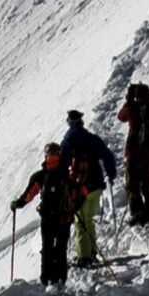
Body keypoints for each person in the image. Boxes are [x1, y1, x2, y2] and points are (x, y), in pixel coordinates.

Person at [9, 143, 76, 286]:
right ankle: (61, 279)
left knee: (47, 249)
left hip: (48, 219)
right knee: (61, 249)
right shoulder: (65, 174)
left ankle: (47, 279)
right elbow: (75, 194)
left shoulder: (40, 176)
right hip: (64, 218)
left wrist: (17, 204)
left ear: (46, 156)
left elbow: (28, 196)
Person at [60, 109, 118, 264]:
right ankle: (91, 252)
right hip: (97, 185)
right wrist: (111, 174)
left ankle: (84, 257)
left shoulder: (68, 140)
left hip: (80, 188)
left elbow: (62, 163)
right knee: (89, 220)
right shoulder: (91, 138)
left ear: (69, 122)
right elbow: (107, 156)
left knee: (81, 223)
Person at [117, 83, 149, 227]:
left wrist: (128, 100)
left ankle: (138, 213)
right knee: (147, 182)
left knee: (132, 183)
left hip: (134, 152)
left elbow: (121, 117)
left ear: (136, 95)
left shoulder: (132, 108)